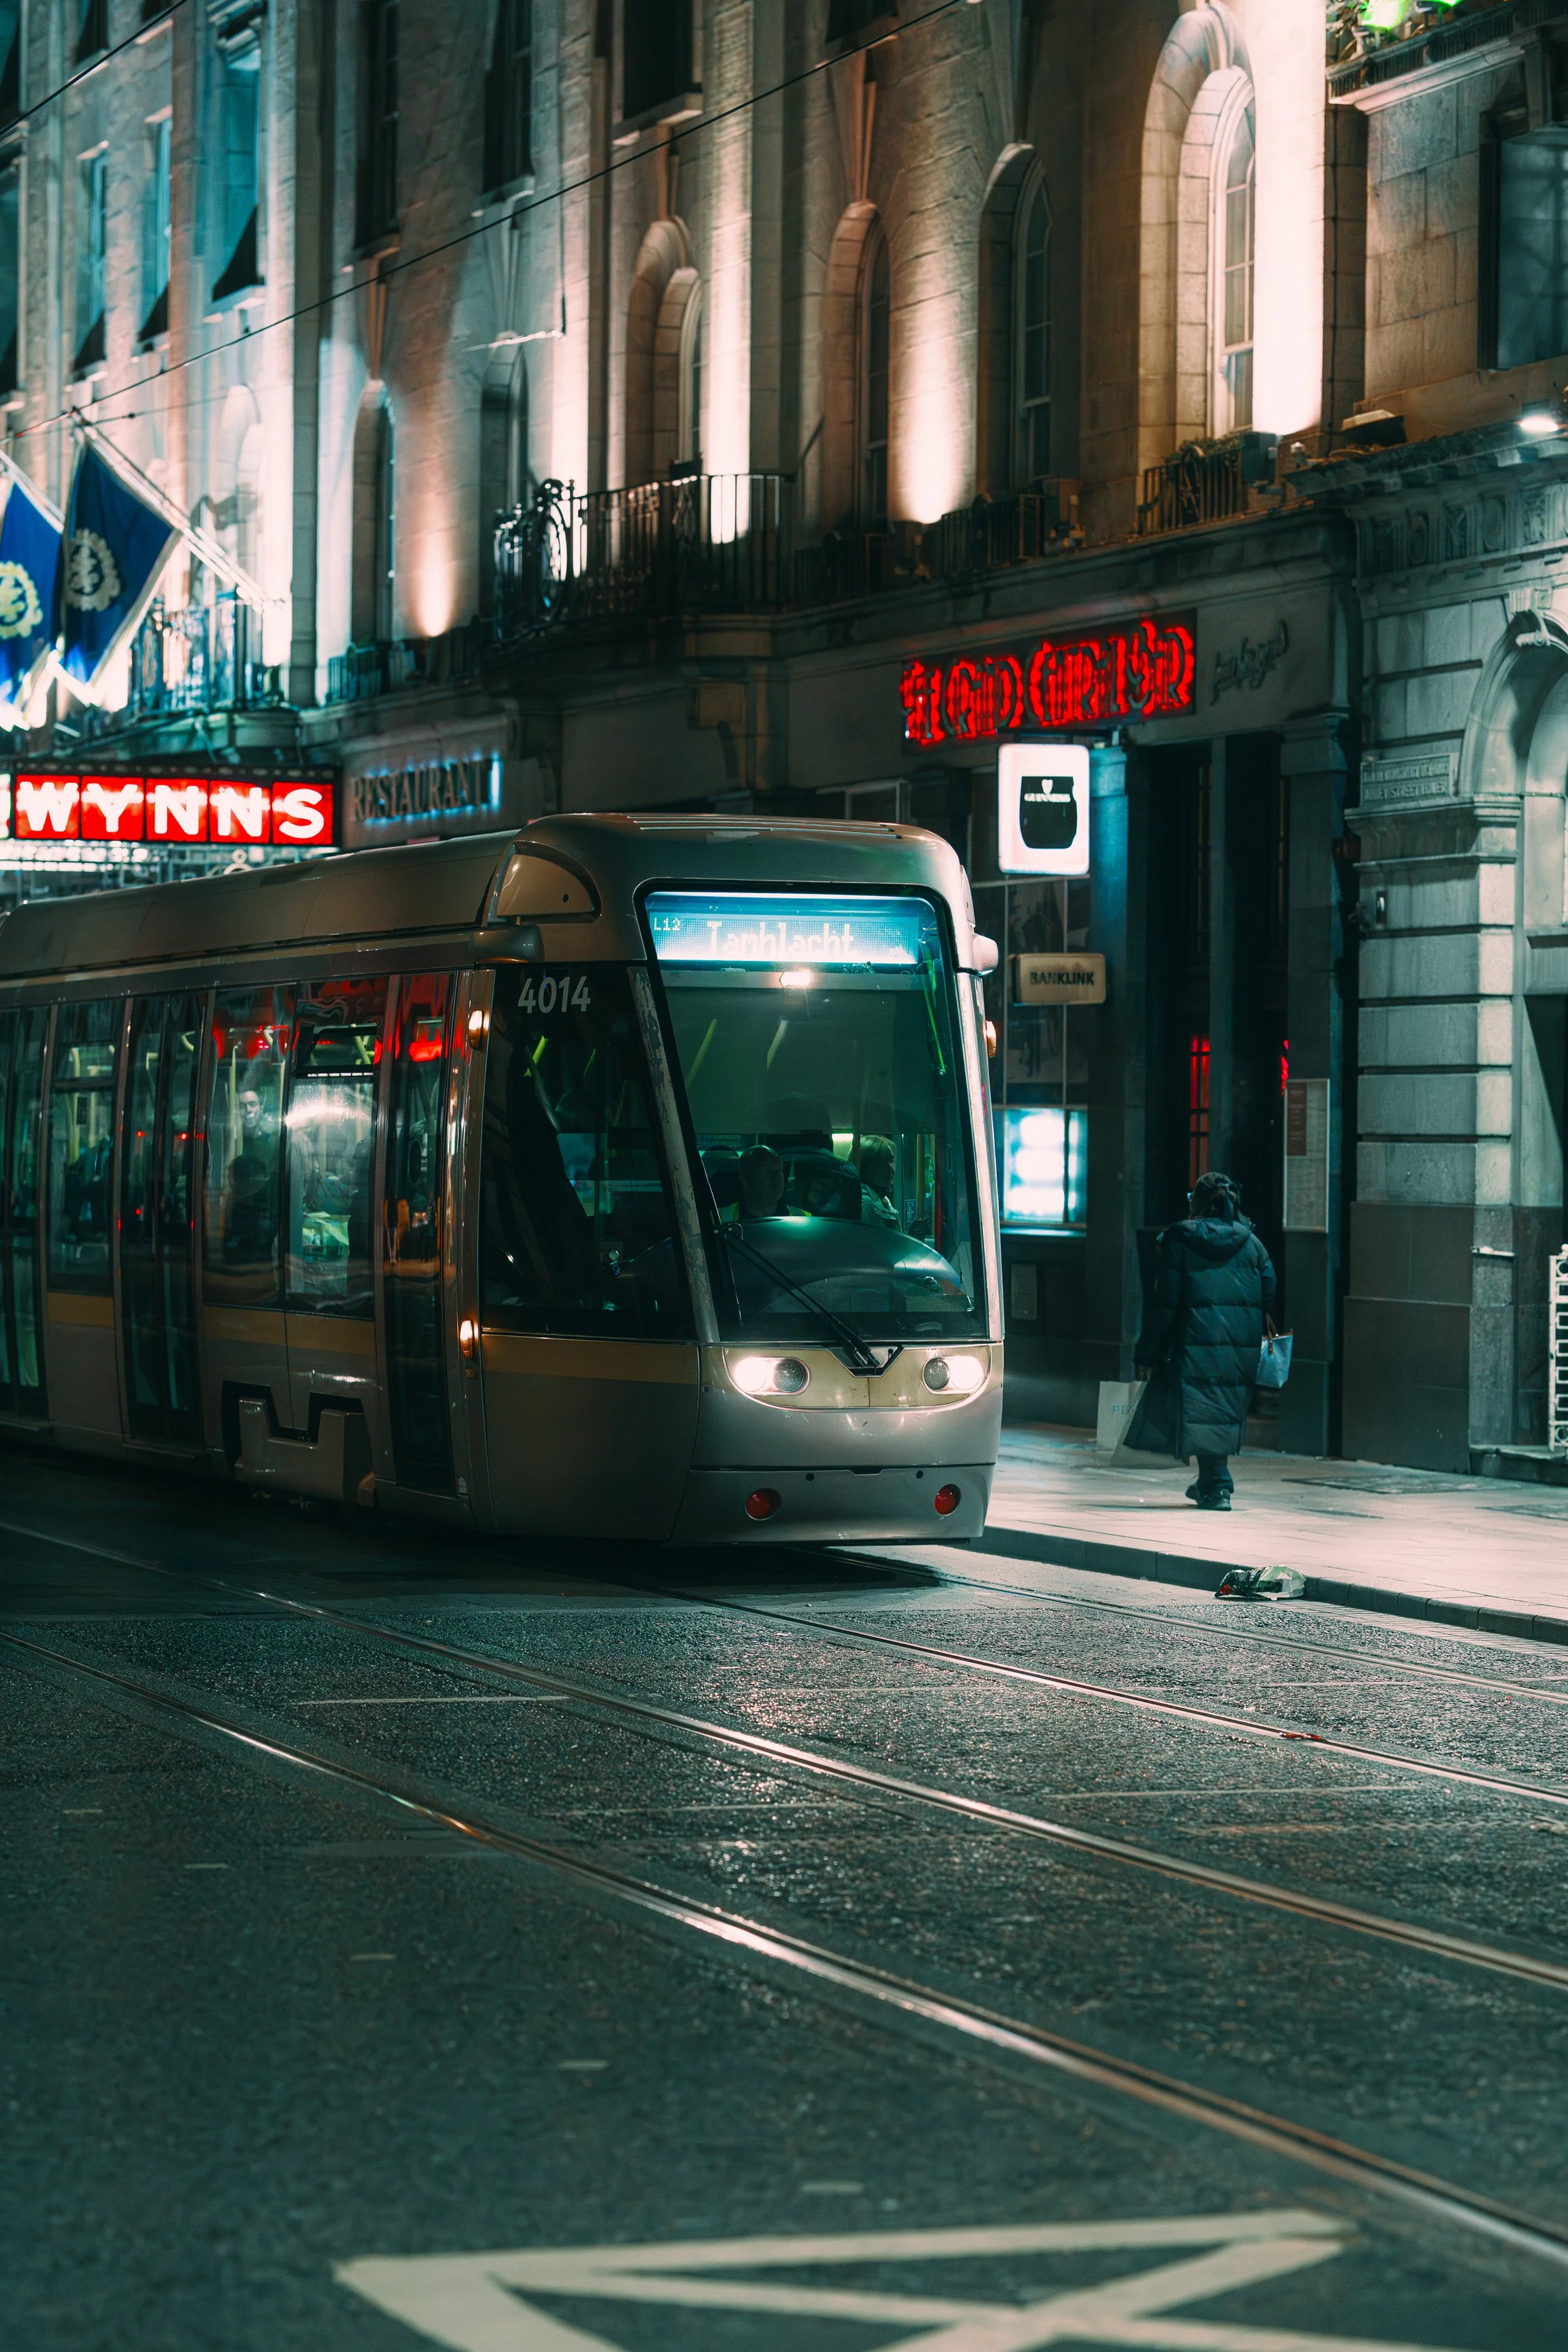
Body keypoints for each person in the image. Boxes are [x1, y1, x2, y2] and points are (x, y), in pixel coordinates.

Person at [1126, 1170, 1276, 1510]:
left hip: (1192, 1341)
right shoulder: (1252, 1245)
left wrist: (1148, 1350)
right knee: (1221, 1410)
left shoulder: (1179, 1241)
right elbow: (1269, 1293)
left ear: (1198, 1202)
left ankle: (1217, 1485)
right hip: (1240, 1345)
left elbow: (1165, 1303)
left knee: (1200, 1407)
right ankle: (1213, 1482)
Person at [857, 1135, 901, 1229]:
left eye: (892, 1160)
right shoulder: (867, 1204)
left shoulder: (883, 1200)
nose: (891, 1168)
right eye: (883, 1162)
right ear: (868, 1166)